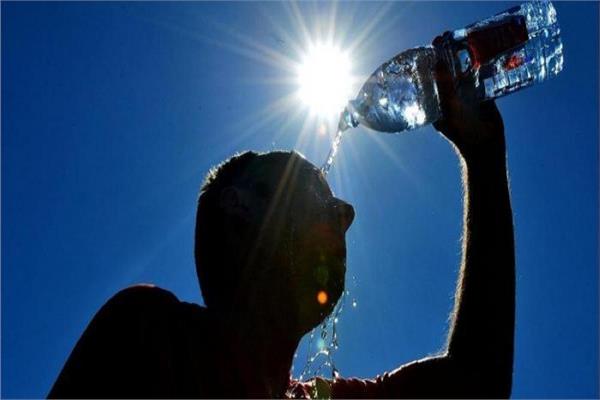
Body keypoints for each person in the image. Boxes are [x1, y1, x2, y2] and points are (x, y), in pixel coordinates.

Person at [48, 45, 515, 399]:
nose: (346, 214)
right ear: (240, 207)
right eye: (312, 189)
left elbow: (476, 381)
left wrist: (484, 158)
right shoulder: (152, 336)